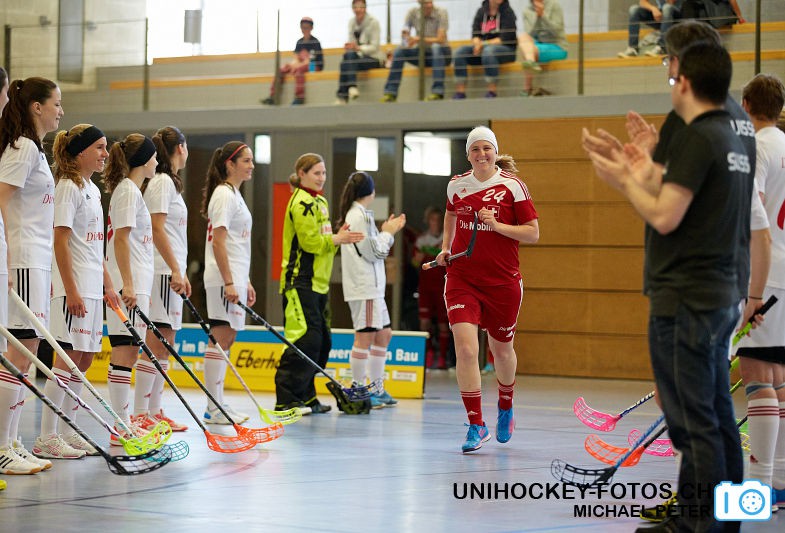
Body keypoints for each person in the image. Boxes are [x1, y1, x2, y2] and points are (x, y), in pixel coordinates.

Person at [585, 42, 750, 533]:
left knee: (695, 425)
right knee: (717, 417)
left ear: (685, 82)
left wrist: (624, 182)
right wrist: (647, 168)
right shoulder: (730, 134)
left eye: (671, 72)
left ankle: (698, 526)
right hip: (718, 293)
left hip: (689, 298)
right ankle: (728, 522)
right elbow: (686, 191)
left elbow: (664, 215)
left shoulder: (701, 136)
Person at [434, 126, 539, 452]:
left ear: (495, 152)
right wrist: (446, 247)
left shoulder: (513, 186)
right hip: (462, 278)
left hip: (503, 283)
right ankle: (476, 424)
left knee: (501, 349)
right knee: (466, 350)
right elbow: (451, 216)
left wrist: (497, 225)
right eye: (475, 149)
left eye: (486, 148)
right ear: (468, 155)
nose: (481, 154)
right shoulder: (457, 185)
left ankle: (505, 404)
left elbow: (532, 233)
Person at [33, 124, 117, 460]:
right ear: (80, 152)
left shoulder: (92, 189)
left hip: (93, 287)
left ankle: (69, 431)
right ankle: (47, 437)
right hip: (74, 287)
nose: (105, 154)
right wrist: (71, 290)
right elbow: (60, 241)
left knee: (84, 359)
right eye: (99, 147)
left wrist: (108, 284)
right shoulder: (67, 187)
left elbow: (95, 247)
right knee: (66, 359)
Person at [0, 76, 62, 474]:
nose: (61, 111)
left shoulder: (32, 149)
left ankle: (12, 441)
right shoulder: (22, 147)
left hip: (35, 261)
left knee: (27, 355)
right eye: (56, 103)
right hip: (21, 259)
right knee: (19, 354)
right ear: (36, 107)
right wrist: (7, 257)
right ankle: (2, 446)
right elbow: (1, 200)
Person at [274, 153, 364, 413]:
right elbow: (310, 243)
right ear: (302, 174)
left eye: (324, 173)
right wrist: (337, 239)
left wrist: (337, 238)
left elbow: (325, 246)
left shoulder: (320, 202)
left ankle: (306, 395)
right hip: (299, 282)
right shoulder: (301, 203)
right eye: (316, 173)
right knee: (304, 340)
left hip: (319, 284)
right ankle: (286, 398)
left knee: (322, 342)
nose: (321, 178)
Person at [737, 73, 785, 510]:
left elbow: (755, 220)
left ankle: (759, 488)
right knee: (779, 377)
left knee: (757, 375)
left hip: (764, 274)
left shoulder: (757, 148)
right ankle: (780, 481)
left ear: (747, 105)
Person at [132, 126, 191, 433]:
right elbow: (156, 229)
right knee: (156, 342)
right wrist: (175, 269)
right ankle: (141, 413)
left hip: (170, 271)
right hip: (161, 272)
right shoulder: (163, 182)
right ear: (180, 148)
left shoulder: (169, 183)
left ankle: (154, 411)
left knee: (165, 344)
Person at [104, 134, 158, 444]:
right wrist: (127, 283)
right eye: (154, 156)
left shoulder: (133, 191)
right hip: (130, 283)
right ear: (143, 160)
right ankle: (120, 425)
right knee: (124, 349)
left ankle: (123, 424)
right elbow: (121, 240)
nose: (157, 161)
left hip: (137, 281)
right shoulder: (127, 191)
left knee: (131, 350)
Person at [337, 172, 406, 408]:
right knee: (364, 336)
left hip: (373, 289)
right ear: (371, 192)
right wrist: (389, 232)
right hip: (364, 288)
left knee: (383, 334)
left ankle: (376, 388)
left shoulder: (360, 214)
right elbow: (375, 252)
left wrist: (385, 232)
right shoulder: (359, 216)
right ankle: (359, 390)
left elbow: (373, 248)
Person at [200, 141, 255, 425]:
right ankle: (213, 407)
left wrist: (246, 281)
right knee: (220, 337)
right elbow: (218, 242)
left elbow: (237, 243)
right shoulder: (223, 194)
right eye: (246, 160)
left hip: (234, 277)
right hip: (223, 278)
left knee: (228, 337)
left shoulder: (234, 194)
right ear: (230, 164)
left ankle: (218, 403)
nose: (251, 165)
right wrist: (230, 281)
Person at [380, 1, 451, 103]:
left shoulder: (441, 12)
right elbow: (405, 33)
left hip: (442, 53)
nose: (428, 5)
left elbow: (440, 39)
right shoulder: (412, 13)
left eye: (430, 2)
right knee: (399, 51)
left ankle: (437, 91)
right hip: (423, 53)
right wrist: (406, 41)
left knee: (435, 47)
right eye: (425, 3)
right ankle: (390, 93)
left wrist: (418, 39)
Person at [453, 0, 517, 100]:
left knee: (489, 52)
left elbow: (504, 38)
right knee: (460, 52)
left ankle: (492, 92)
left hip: (506, 50)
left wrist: (482, 44)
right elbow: (475, 34)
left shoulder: (508, 12)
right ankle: (460, 93)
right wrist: (477, 44)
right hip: (483, 50)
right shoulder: (481, 11)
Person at [412, 206, 449, 369]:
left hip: (442, 287)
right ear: (428, 221)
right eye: (433, 219)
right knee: (424, 322)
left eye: (438, 220)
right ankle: (428, 354)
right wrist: (418, 258)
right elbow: (414, 263)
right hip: (425, 287)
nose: (436, 223)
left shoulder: (446, 239)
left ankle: (442, 357)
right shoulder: (421, 240)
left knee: (443, 324)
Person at [261, 17, 323, 106]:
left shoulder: (315, 42)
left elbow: (310, 61)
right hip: (301, 65)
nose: (304, 30)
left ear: (311, 28)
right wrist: (291, 65)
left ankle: (299, 98)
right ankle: (273, 96)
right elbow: (296, 59)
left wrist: (297, 66)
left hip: (314, 66)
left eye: (307, 27)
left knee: (299, 70)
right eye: (303, 27)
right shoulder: (299, 42)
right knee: (282, 69)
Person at [335, 0, 385, 104]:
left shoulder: (373, 22)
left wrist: (359, 48)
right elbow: (352, 43)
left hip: (374, 58)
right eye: (355, 7)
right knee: (347, 57)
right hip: (356, 57)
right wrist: (350, 46)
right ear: (352, 9)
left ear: (365, 8)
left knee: (345, 63)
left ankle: (343, 96)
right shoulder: (351, 22)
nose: (358, 9)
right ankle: (351, 88)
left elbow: (375, 47)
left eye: (361, 7)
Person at [519, 0, 567, 97]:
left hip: (556, 45)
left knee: (528, 51)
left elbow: (556, 32)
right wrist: (537, 18)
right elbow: (531, 35)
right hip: (537, 44)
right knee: (523, 37)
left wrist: (543, 16)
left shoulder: (554, 5)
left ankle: (527, 88)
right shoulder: (527, 11)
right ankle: (531, 62)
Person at [618, 1, 682, 58]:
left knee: (667, 8)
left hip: (678, 18)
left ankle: (662, 47)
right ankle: (632, 48)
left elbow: (671, 2)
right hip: (661, 17)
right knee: (634, 9)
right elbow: (642, 2)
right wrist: (653, 9)